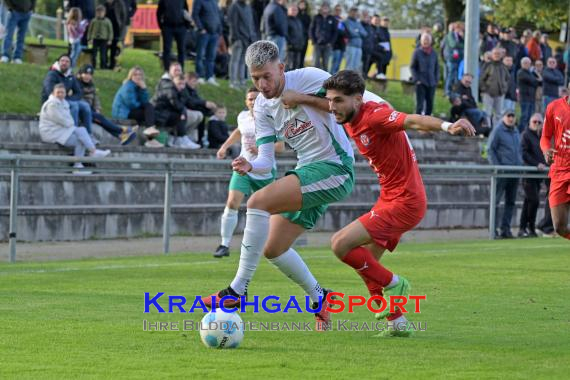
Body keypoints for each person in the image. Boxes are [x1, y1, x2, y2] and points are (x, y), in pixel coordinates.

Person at [203, 41, 360, 331]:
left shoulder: (311, 77)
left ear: (282, 68)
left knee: (256, 202)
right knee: (273, 248)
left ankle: (238, 291)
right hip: (307, 171)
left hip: (335, 167)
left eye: (267, 76)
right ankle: (320, 298)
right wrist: (251, 166)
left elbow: (347, 106)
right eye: (255, 78)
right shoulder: (261, 108)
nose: (262, 85)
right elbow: (264, 159)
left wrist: (301, 98)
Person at [321, 70, 475, 336]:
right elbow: (318, 100)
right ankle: (397, 322)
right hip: (390, 198)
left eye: (337, 101)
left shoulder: (375, 116)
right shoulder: (349, 115)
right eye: (329, 100)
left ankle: (396, 283)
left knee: (340, 244)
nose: (331, 106)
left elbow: (412, 121)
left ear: (357, 99)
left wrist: (447, 126)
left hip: (405, 201)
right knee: (366, 264)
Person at [213, 87, 284, 258]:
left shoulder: (272, 117)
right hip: (243, 167)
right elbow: (239, 131)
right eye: (250, 99)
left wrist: (261, 149)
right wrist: (225, 146)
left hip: (264, 170)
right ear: (246, 101)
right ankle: (224, 244)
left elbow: (280, 147)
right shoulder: (243, 117)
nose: (253, 101)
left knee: (267, 210)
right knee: (232, 203)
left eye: (255, 98)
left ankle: (272, 242)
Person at [39, 84, 110, 174]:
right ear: (53, 93)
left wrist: (71, 123)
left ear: (65, 93)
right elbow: (62, 120)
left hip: (60, 131)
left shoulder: (63, 103)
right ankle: (91, 153)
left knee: (81, 136)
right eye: (58, 92)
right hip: (50, 133)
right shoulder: (51, 105)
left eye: (62, 92)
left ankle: (79, 164)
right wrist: (71, 124)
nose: (60, 94)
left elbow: (68, 119)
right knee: (81, 132)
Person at [77, 64, 136, 145]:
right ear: (80, 74)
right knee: (100, 118)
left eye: (90, 74)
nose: (87, 76)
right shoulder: (76, 84)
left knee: (100, 119)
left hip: (90, 110)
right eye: (85, 74)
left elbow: (95, 98)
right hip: (82, 110)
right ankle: (123, 130)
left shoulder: (91, 85)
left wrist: (97, 108)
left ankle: (121, 136)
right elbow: (78, 99)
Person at [540, 85, 570, 240]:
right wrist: (546, 150)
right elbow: (545, 137)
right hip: (559, 169)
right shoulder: (554, 107)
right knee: (559, 227)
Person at [41, 54, 94, 141]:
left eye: (67, 61)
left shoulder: (70, 76)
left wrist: (69, 99)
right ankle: (74, 133)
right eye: (62, 61)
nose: (64, 63)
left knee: (85, 106)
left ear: (70, 64)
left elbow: (78, 92)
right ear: (58, 62)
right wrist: (65, 100)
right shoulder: (52, 74)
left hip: (66, 100)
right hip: (52, 102)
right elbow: (49, 91)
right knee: (74, 106)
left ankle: (89, 134)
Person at [488, 110, 523, 239]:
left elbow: (519, 150)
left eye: (513, 116)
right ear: (503, 117)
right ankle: (493, 229)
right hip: (503, 173)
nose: (511, 118)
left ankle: (506, 229)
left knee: (510, 202)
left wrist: (520, 164)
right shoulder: (498, 130)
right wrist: (498, 167)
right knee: (496, 201)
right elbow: (490, 149)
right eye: (508, 116)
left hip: (515, 172)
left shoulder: (516, 131)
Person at [153, 63, 202, 148]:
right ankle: (180, 138)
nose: (177, 72)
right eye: (175, 70)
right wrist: (183, 111)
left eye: (179, 70)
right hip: (162, 112)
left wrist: (204, 104)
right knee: (184, 115)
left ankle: (185, 138)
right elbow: (175, 103)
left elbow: (188, 100)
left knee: (199, 114)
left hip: (171, 110)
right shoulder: (167, 83)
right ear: (170, 71)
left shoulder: (180, 83)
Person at [112, 66, 161, 147]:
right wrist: (143, 104)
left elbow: (144, 101)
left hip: (131, 111)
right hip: (123, 113)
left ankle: (150, 136)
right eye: (135, 74)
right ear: (130, 76)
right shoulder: (128, 86)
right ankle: (150, 135)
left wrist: (143, 89)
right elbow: (131, 104)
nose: (138, 76)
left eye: (140, 75)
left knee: (149, 109)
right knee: (148, 108)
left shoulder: (138, 86)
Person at [519, 113, 548, 237]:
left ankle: (523, 228)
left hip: (537, 175)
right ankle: (529, 227)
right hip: (529, 173)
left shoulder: (541, 136)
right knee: (534, 200)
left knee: (528, 201)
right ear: (530, 122)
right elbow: (524, 153)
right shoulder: (526, 135)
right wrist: (537, 164)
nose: (537, 124)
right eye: (534, 121)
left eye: (539, 122)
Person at [227, 0, 257, 89]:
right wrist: (236, 38)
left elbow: (251, 24)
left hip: (248, 39)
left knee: (243, 62)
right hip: (238, 38)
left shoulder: (248, 7)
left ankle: (241, 81)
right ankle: (233, 82)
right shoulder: (234, 6)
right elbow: (233, 24)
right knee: (235, 61)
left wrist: (252, 37)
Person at [192, 0, 223, 85]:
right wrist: (201, 28)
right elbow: (195, 15)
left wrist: (219, 31)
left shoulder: (214, 2)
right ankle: (200, 76)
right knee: (200, 56)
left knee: (211, 57)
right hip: (204, 34)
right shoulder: (198, 1)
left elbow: (218, 16)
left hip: (214, 34)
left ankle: (209, 77)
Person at [182, 71, 217, 144]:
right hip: (183, 111)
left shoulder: (192, 89)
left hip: (191, 110)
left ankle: (201, 139)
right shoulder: (183, 88)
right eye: (194, 81)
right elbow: (189, 102)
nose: (195, 83)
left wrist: (209, 106)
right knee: (201, 113)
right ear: (187, 80)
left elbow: (198, 100)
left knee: (203, 112)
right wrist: (205, 103)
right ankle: (199, 139)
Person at [480, 47, 510, 128]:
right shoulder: (487, 65)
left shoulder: (503, 66)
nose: (497, 55)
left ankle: (496, 130)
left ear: (501, 55)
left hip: (500, 94)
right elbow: (482, 79)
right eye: (495, 54)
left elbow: (507, 79)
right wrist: (485, 89)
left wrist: (504, 89)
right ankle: (487, 129)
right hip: (488, 93)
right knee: (487, 112)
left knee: (499, 113)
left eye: (498, 54)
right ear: (492, 55)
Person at [411, 33, 438, 116]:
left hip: (431, 82)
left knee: (430, 104)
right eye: (424, 40)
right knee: (420, 105)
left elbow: (436, 68)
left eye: (427, 40)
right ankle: (417, 123)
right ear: (421, 41)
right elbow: (413, 67)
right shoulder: (417, 52)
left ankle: (427, 125)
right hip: (421, 82)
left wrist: (436, 80)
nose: (426, 41)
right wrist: (417, 79)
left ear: (430, 41)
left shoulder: (434, 53)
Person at [157, 0, 189, 72]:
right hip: (168, 27)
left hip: (181, 27)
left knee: (181, 50)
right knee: (167, 50)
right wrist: (161, 26)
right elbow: (159, 12)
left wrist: (187, 26)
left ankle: (181, 70)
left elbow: (186, 11)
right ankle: (167, 70)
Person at [1, 0, 35, 64]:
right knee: (8, 35)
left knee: (21, 37)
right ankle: (5, 55)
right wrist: (10, 8)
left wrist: (32, 8)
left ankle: (17, 57)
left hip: (26, 13)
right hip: (14, 12)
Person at [310, 2, 336, 72]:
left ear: (329, 9)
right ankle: (314, 78)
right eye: (324, 7)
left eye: (326, 7)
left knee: (326, 63)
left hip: (327, 45)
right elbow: (311, 29)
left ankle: (325, 81)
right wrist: (313, 41)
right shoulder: (316, 17)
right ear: (321, 8)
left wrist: (331, 43)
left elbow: (335, 32)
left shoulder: (332, 19)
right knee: (315, 63)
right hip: (317, 44)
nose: (325, 8)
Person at [518, 57, 540, 132]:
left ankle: (527, 132)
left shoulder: (530, 73)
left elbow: (539, 82)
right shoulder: (520, 72)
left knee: (530, 117)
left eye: (529, 63)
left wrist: (535, 75)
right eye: (525, 63)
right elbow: (532, 80)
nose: (527, 65)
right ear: (522, 64)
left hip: (531, 98)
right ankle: (521, 132)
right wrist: (535, 80)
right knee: (524, 117)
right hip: (524, 98)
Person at [87, 5, 113, 70]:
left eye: (101, 12)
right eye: (98, 13)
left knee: (103, 54)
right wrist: (89, 38)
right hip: (95, 39)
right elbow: (90, 30)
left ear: (104, 13)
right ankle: (93, 66)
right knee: (94, 53)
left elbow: (110, 31)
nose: (99, 14)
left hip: (104, 39)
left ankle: (103, 66)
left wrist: (110, 39)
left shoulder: (107, 21)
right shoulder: (93, 21)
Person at [343, 7, 367, 71]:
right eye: (353, 11)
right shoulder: (346, 21)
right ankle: (346, 80)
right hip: (351, 46)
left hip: (359, 47)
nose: (354, 13)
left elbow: (365, 33)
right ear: (349, 12)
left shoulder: (358, 22)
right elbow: (352, 32)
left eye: (355, 11)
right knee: (349, 66)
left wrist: (357, 31)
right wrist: (358, 32)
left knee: (356, 67)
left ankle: (353, 81)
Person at [285, 3, 304, 71]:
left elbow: (301, 34)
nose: (294, 11)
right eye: (292, 10)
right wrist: (290, 43)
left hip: (298, 48)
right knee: (289, 67)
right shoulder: (286, 20)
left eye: (295, 10)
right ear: (288, 10)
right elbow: (285, 34)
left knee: (296, 68)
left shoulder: (298, 21)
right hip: (290, 48)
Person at [296, 0, 311, 68]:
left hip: (305, 38)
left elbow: (309, 27)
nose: (302, 6)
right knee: (296, 57)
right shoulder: (296, 15)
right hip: (296, 39)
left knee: (302, 56)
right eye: (301, 4)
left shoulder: (307, 16)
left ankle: (301, 69)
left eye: (303, 4)